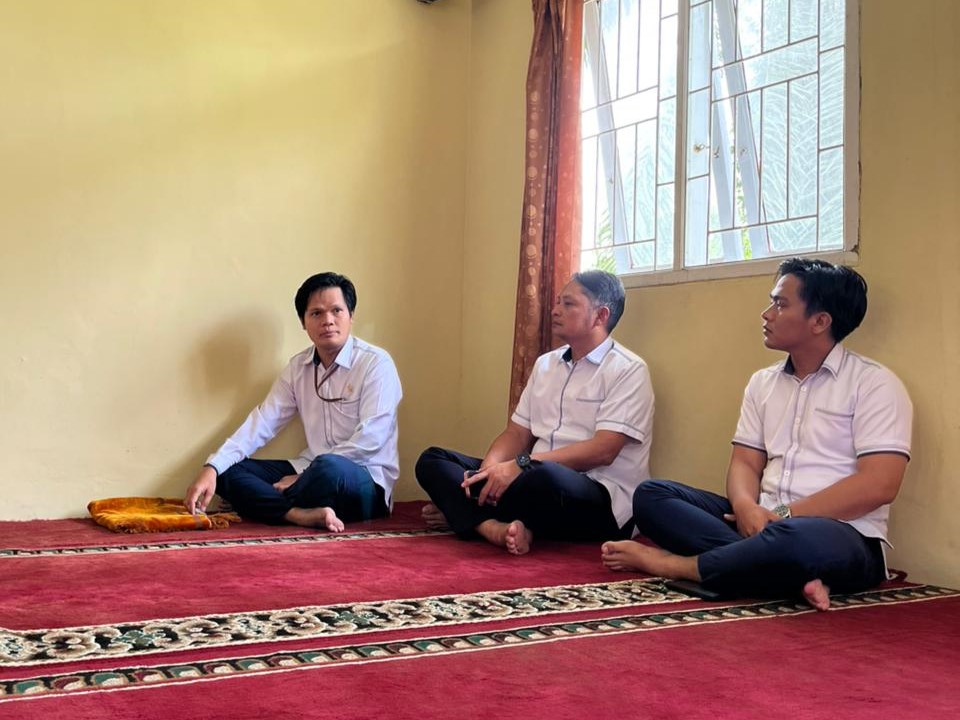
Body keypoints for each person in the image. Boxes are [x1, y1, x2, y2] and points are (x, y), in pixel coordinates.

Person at [602, 258, 912, 610]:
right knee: (651, 495)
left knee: (795, 538)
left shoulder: (874, 384)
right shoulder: (763, 383)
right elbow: (745, 463)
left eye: (780, 304)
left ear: (820, 321)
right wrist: (746, 507)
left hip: (840, 532)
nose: (767, 314)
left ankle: (678, 566)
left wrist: (783, 514)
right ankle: (782, 574)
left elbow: (879, 485)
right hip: (762, 521)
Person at [416, 270, 654, 555]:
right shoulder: (545, 364)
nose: (555, 310)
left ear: (601, 315)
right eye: (558, 302)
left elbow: (603, 451)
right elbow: (517, 433)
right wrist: (487, 473)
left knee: (545, 479)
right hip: (531, 475)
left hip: (594, 493)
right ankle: (490, 526)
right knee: (432, 459)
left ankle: (463, 514)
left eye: (568, 304)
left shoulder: (628, 370)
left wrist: (522, 464)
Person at [184, 272, 402, 532]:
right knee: (228, 472)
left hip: (363, 479)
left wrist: (304, 477)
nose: (328, 320)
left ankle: (267, 504)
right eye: (316, 313)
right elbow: (263, 423)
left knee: (329, 467)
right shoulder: (298, 367)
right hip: (309, 469)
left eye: (336, 311)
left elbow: (372, 439)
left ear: (351, 315)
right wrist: (212, 466)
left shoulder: (376, 363)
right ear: (303, 322)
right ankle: (299, 514)